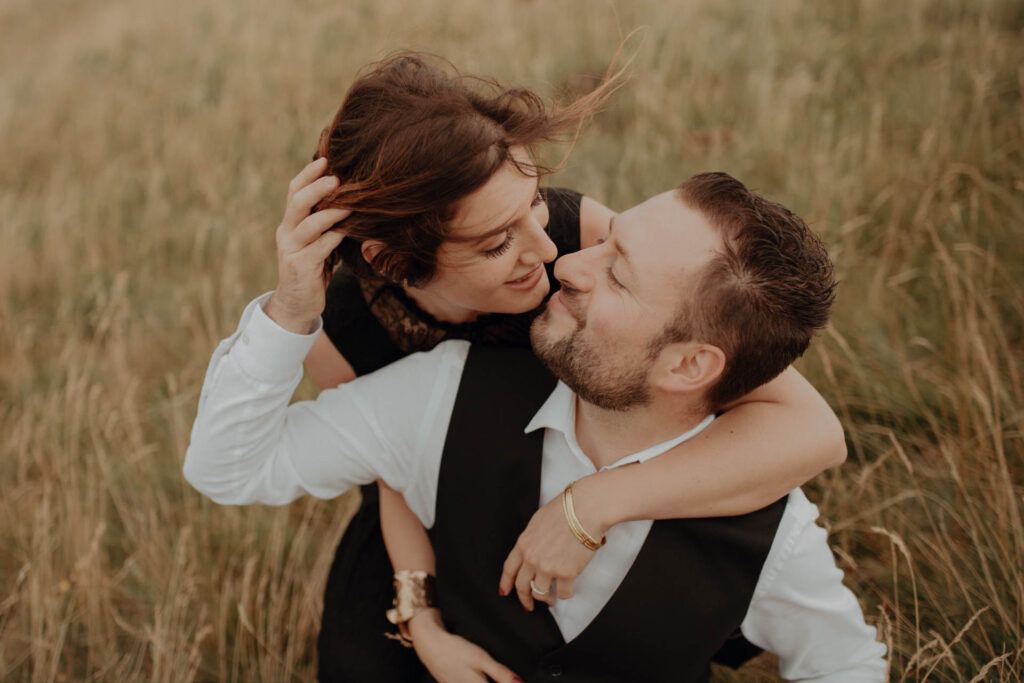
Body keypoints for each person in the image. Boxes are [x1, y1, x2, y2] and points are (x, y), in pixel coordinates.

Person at [273, 53, 848, 681]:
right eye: (495, 241)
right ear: (390, 260)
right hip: (424, 520)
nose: (549, 255)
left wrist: (593, 505)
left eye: (536, 206)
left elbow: (813, 433)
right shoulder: (342, 327)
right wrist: (423, 622)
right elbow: (390, 476)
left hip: (579, 467)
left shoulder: (575, 238)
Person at [184, 172, 887, 681]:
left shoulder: (772, 533)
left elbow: (846, 665)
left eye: (618, 275)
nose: (565, 263)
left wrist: (596, 502)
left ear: (689, 365)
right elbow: (227, 468)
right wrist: (289, 311)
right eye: (603, 241)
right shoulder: (440, 393)